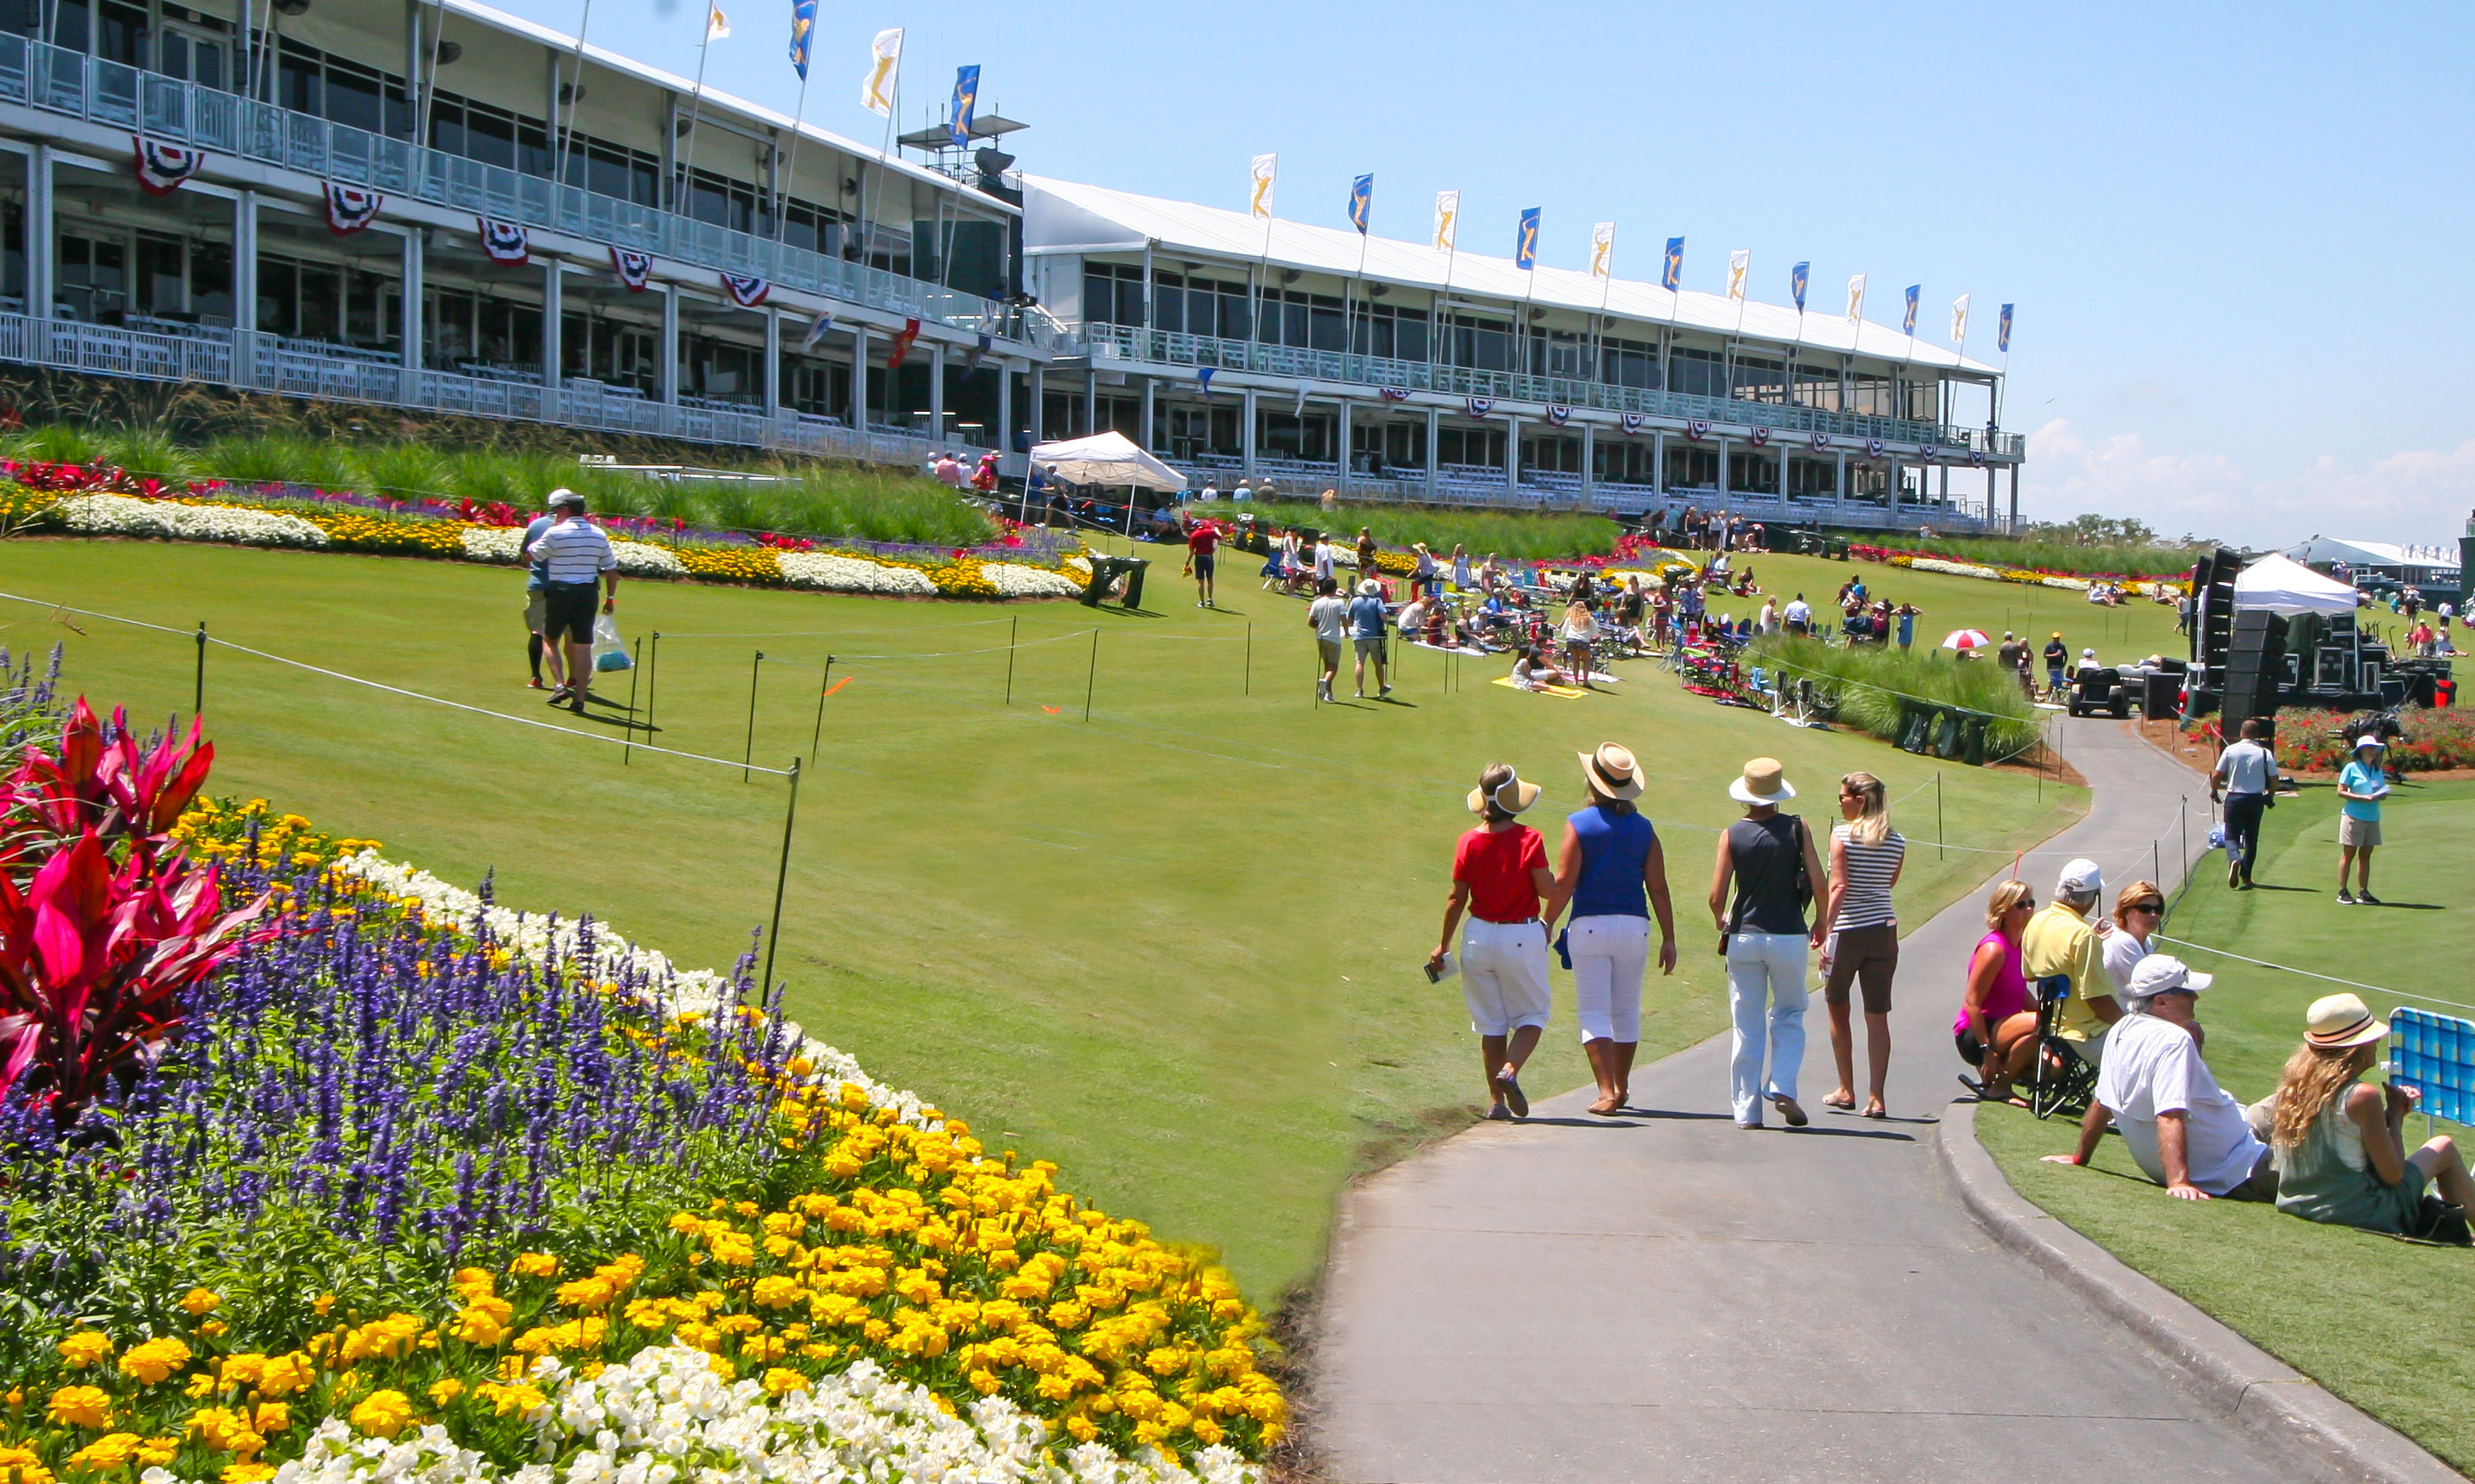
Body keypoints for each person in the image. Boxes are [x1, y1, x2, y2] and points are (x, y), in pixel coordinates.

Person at [2042, 957, 2278, 1201]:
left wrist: (2081, 1157)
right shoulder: (2174, 1040)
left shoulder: (2121, 1030)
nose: (2195, 998)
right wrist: (2179, 1182)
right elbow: (2169, 1114)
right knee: (2313, 1165)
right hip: (2239, 1167)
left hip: (2238, 1133)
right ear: (2161, 1001)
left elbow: (2102, 1103)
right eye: (2187, 992)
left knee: (2292, 1096)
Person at [2269, 993, 2474, 1240]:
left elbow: (2342, 1136)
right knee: (2444, 1146)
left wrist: (2386, 1115)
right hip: (2358, 1210)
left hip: (2298, 1202)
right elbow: (2393, 1175)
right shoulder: (2362, 1095)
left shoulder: (2295, 1087)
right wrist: (2396, 1119)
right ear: (2355, 1048)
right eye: (2371, 1038)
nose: (2376, 1042)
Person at [1545, 745, 1678, 1115]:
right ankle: (1621, 1087)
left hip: (1589, 925)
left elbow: (1565, 881)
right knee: (1626, 1009)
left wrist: (1547, 922)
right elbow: (1659, 887)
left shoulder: (1579, 822)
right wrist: (1669, 937)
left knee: (1593, 1011)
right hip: (1636, 926)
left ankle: (1606, 1092)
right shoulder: (1645, 828)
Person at [1430, 764, 1556, 1120]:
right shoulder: (1530, 838)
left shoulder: (1468, 840)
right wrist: (1564, 881)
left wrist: (1443, 945)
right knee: (1533, 1015)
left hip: (1477, 937)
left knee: (1490, 1023)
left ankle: (1495, 1103)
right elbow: (1547, 891)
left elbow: (1456, 898)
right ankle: (1510, 1071)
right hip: (1520, 934)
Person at [1708, 758, 1821, 1129]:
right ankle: (1783, 1085)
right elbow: (1819, 882)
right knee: (1789, 1013)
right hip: (1788, 934)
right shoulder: (1796, 828)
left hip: (1744, 935)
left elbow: (1716, 896)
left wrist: (1720, 920)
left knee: (1747, 1025)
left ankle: (1746, 1111)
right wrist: (1822, 920)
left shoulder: (1732, 834)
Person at [1818, 772, 1905, 1120]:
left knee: (1837, 1006)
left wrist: (1824, 931)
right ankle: (1877, 1096)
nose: (1839, 802)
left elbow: (1837, 886)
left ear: (1860, 800)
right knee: (1877, 1016)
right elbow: (1889, 883)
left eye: (1843, 797)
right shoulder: (1897, 840)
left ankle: (1846, 1089)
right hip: (1884, 930)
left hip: (1848, 930)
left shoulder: (1841, 835)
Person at [2022, 857, 2118, 1066]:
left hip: (2050, 1027)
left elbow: (2029, 975)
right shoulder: (2083, 936)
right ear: (2093, 897)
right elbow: (2097, 1000)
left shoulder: (2036, 921)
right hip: (2084, 1035)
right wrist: (2127, 1024)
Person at [530, 490, 618, 715]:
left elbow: (533, 554)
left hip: (561, 590)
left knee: (550, 639)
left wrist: (552, 530)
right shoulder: (598, 533)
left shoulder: (556, 532)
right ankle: (579, 698)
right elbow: (610, 569)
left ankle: (559, 685)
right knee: (583, 645)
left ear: (565, 510)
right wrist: (610, 598)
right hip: (588, 593)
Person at [1955, 881, 2038, 1102]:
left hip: (2008, 1025)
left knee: (2054, 1068)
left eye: (2031, 903)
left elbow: (2021, 994)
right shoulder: (1994, 949)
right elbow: (1971, 1003)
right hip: (1978, 1033)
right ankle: (2001, 1086)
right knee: (2044, 1023)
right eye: (2021, 905)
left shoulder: (2021, 946)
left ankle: (2006, 1074)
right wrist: (1987, 1050)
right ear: (2004, 911)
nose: (2029, 910)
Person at [2211, 718, 2276, 889]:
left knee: (2231, 835)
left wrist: (2214, 790)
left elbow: (2218, 774)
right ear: (2257, 734)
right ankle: (2246, 877)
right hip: (2255, 798)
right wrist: (2270, 795)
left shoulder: (2231, 750)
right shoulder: (2264, 753)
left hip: (2235, 797)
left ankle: (2234, 859)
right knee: (2251, 838)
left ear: (2242, 732)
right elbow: (2274, 777)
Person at [518, 495, 566, 692]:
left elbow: (525, 555)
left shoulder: (536, 525)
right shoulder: (570, 529)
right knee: (567, 634)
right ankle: (570, 679)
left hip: (538, 584)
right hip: (563, 586)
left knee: (537, 631)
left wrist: (538, 570)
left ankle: (536, 676)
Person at [2337, 736, 2388, 904]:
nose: (2373, 750)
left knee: (2366, 855)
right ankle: (2343, 891)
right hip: (2354, 816)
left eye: (2374, 748)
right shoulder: (2352, 767)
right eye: (2368, 748)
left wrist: (2381, 794)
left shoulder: (2377, 769)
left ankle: (2363, 892)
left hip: (2372, 817)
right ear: (2361, 751)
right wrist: (2362, 797)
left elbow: (2379, 789)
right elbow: (2341, 791)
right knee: (2348, 855)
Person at [2100, 879, 2167, 1002]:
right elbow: (2147, 985)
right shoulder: (2122, 941)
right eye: (2145, 909)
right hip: (2120, 1013)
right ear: (2126, 911)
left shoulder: (2146, 941)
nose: (2154, 914)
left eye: (2158, 909)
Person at [1348, 578, 1391, 699]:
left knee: (1359, 662)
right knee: (1378, 662)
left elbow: (1349, 619)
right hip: (1373, 635)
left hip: (1358, 635)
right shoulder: (1377, 601)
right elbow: (1384, 617)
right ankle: (1381, 688)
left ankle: (1359, 690)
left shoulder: (1355, 601)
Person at [1307, 576, 1348, 703]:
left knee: (1327, 665)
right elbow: (1343, 619)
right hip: (1333, 638)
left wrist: (1317, 625)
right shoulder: (1339, 602)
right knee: (1333, 667)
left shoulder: (1317, 602)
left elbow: (1310, 622)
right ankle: (1325, 683)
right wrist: (1346, 632)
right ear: (1334, 589)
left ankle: (1328, 694)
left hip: (1320, 637)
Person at [1559, 601, 1601, 688]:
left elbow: (1563, 631)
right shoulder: (1589, 619)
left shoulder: (1570, 619)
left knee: (1575, 660)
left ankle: (1575, 680)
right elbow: (1595, 632)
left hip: (1571, 640)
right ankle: (1585, 681)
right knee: (1586, 661)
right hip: (1583, 641)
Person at [1184, 516, 1221, 609]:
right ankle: (1210, 600)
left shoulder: (1194, 535)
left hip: (1199, 558)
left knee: (1201, 581)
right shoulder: (1210, 532)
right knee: (1210, 579)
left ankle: (1201, 602)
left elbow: (1191, 551)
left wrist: (1187, 563)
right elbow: (1219, 538)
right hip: (1209, 557)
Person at [2042, 631, 2067, 698]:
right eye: (2055, 638)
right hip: (2051, 667)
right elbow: (2044, 655)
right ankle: (2050, 696)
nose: (2056, 639)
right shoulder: (2049, 646)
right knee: (2052, 682)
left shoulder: (2062, 646)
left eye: (2058, 638)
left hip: (2059, 667)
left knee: (2059, 681)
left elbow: (2066, 655)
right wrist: (2054, 655)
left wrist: (2064, 664)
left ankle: (2058, 698)